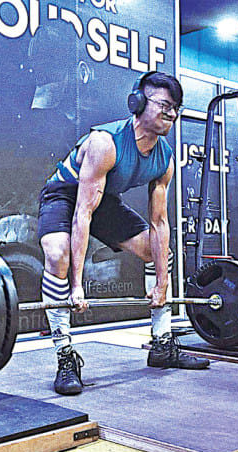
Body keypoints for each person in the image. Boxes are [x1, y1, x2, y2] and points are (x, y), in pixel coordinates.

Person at [36, 71, 210, 396]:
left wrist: (161, 284)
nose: (172, 113)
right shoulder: (106, 142)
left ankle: (162, 343)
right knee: (58, 253)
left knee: (158, 251)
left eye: (176, 107)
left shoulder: (165, 158)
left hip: (103, 200)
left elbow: (159, 224)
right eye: (164, 105)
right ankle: (65, 355)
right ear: (138, 103)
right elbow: (82, 212)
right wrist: (76, 286)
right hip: (65, 195)